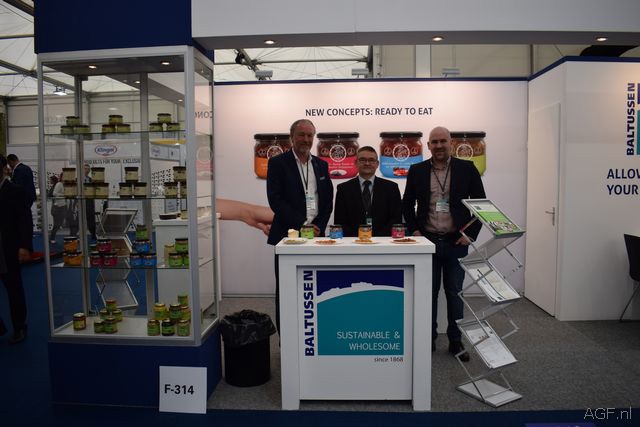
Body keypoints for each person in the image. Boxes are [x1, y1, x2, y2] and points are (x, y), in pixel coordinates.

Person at [402, 126, 486, 362]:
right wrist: (415, 231)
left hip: (455, 242)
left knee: (454, 293)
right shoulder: (417, 170)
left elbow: (481, 204)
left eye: (443, 141)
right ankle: (427, 338)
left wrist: (471, 234)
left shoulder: (467, 169)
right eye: (434, 142)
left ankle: (455, 340)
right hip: (426, 242)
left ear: (451, 143)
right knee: (427, 293)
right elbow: (407, 204)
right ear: (428, 145)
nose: (438, 146)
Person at [266, 119, 333, 331]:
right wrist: (302, 224)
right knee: (286, 289)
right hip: (288, 236)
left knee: (316, 288)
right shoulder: (278, 163)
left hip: (316, 236)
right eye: (301, 135)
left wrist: (318, 226)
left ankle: (313, 334)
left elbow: (327, 201)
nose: (306, 139)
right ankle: (285, 339)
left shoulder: (321, 165)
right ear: (291, 137)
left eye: (309, 135)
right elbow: (275, 200)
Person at [334, 146, 402, 237]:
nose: (367, 163)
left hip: (384, 241)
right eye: (362, 160)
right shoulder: (343, 189)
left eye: (371, 160)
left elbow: (396, 219)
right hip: (353, 241)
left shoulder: (391, 188)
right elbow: (340, 221)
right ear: (356, 163)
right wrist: (360, 239)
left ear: (377, 164)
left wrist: (377, 239)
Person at [0, 154, 32, 344]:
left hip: (8, 248)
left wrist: (24, 246)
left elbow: (25, 220)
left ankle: (19, 327)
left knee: (14, 289)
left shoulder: (15, 191)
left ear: (3, 168)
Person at [48, 175, 66, 244]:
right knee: (57, 224)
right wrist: (63, 195)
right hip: (58, 207)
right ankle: (51, 238)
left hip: (62, 206)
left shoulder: (64, 184)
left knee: (59, 224)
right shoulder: (59, 184)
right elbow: (54, 193)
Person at [83, 164, 97, 240]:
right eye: (85, 169)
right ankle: (79, 236)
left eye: (88, 169)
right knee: (79, 220)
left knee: (91, 219)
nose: (87, 170)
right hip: (81, 202)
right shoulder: (77, 179)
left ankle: (93, 235)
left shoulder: (91, 179)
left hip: (90, 202)